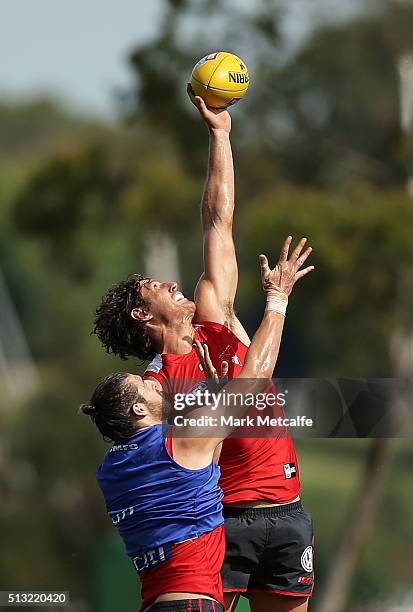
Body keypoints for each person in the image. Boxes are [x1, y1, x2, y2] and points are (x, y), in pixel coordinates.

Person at [93, 89, 314, 612]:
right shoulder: (159, 385)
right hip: (224, 519)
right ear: (142, 317)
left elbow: (219, 221)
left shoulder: (217, 315)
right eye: (156, 287)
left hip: (288, 508)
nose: (173, 283)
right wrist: (277, 304)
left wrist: (220, 136)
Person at [82, 242, 312, 612]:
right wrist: (277, 297)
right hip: (201, 582)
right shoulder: (178, 431)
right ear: (140, 408)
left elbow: (204, 459)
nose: (151, 383)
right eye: (143, 385)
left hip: (167, 595)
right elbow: (254, 380)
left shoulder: (111, 470)